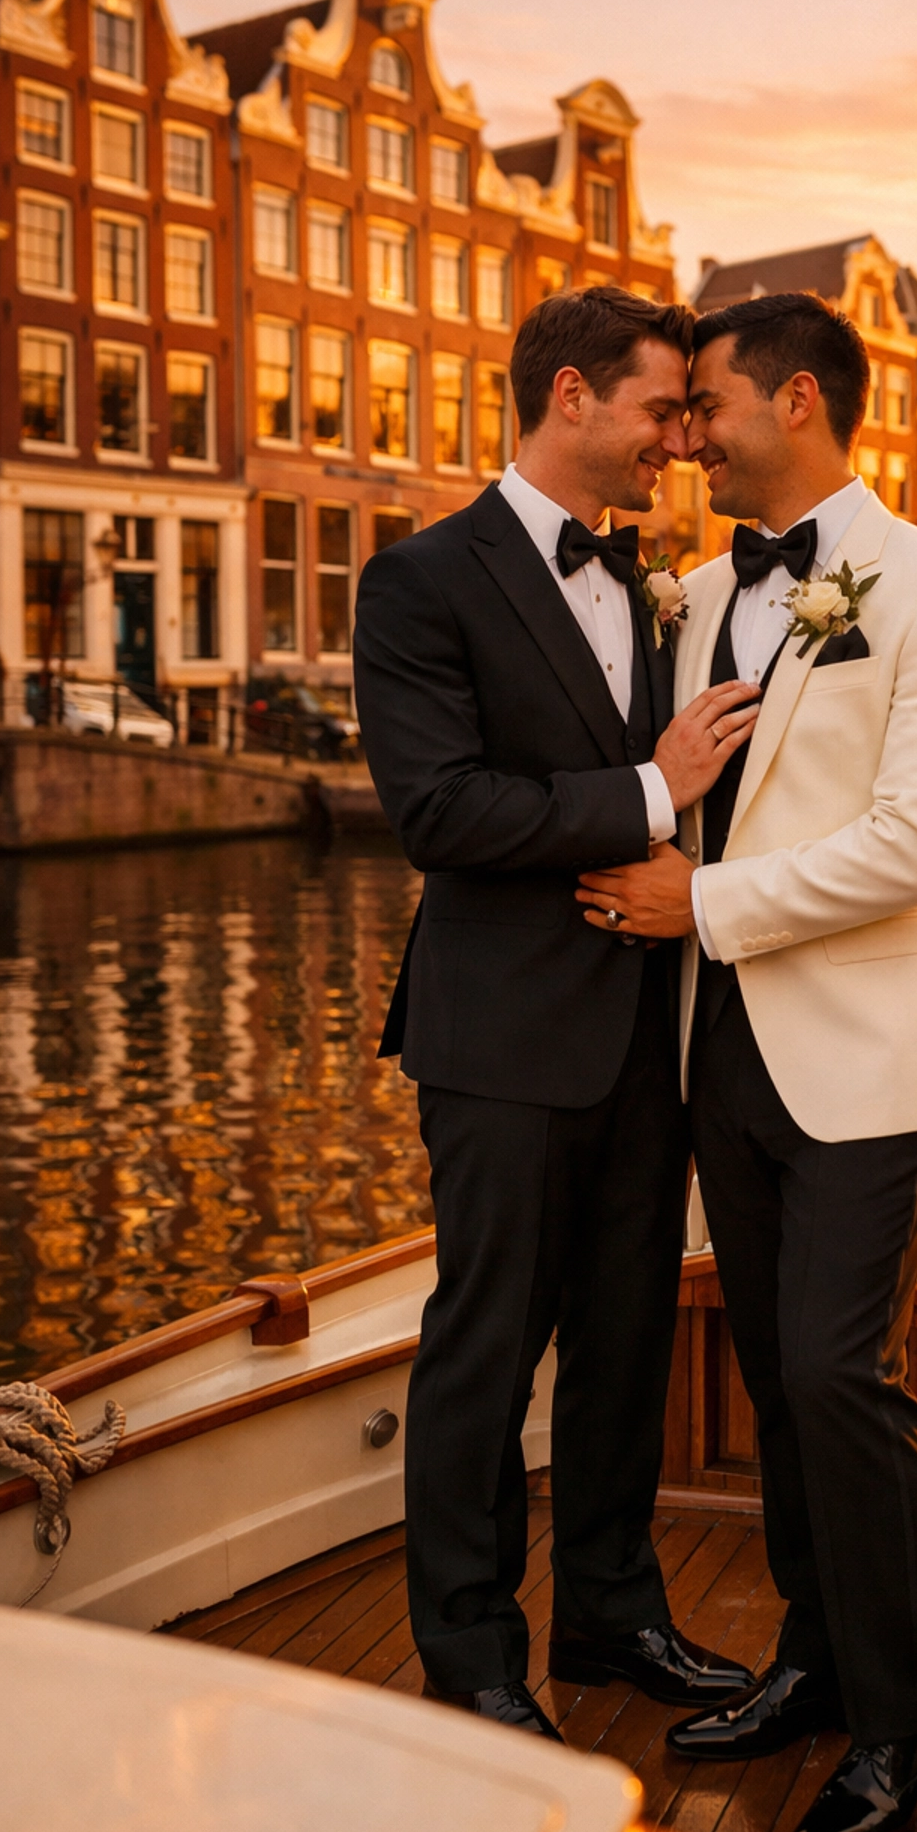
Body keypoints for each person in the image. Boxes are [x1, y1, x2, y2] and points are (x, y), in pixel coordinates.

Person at [576, 292, 917, 1832]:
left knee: (841, 1375)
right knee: (775, 1375)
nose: (685, 432)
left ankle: (907, 1730)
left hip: (874, 1062)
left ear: (804, 404)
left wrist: (701, 902)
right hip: (722, 1051)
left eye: (708, 404)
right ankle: (817, 1667)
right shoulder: (697, 596)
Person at [355, 285, 762, 1740]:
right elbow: (441, 812)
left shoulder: (665, 580)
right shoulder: (419, 581)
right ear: (573, 394)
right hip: (506, 1042)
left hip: (651, 1033)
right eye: (663, 409)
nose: (680, 439)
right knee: (485, 1341)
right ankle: (471, 1653)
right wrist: (654, 790)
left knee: (625, 1338)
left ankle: (610, 1613)